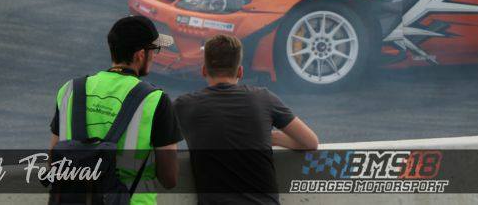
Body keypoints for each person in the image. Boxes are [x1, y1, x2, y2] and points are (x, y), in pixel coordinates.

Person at [51, 16, 180, 205]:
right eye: (154, 50)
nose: (154, 55)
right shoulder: (155, 100)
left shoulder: (69, 90)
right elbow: (169, 179)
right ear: (140, 55)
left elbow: (53, 160)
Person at [175, 34, 317, 205]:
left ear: (204, 70)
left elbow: (160, 141)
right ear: (240, 71)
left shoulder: (185, 105)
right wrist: (272, 138)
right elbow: (310, 142)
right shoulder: (264, 98)